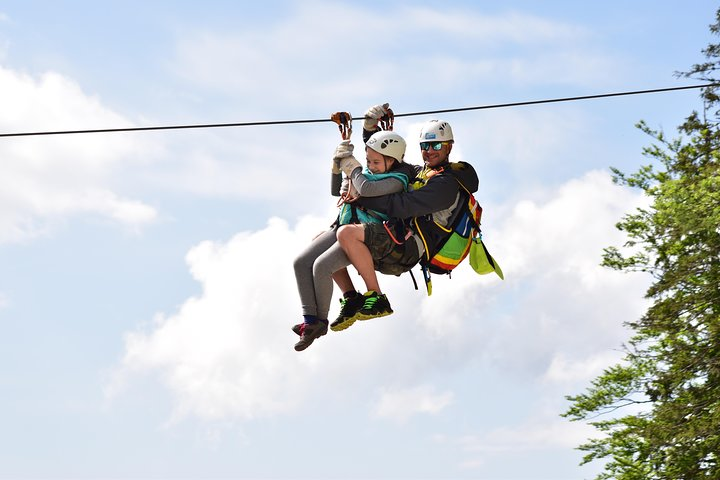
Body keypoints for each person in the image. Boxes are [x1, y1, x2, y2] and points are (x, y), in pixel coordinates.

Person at [292, 106, 416, 351]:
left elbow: (367, 189)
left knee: (321, 266)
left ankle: (320, 322)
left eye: (376, 162)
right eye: (368, 160)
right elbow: (334, 189)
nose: (371, 165)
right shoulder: (369, 173)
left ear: (392, 161)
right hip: (346, 224)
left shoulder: (397, 179)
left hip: (366, 232)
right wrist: (338, 164)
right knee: (300, 262)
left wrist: (353, 167)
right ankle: (311, 320)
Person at [336, 119, 479, 308]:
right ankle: (346, 304)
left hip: (409, 249)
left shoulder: (447, 185)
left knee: (347, 233)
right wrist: (371, 130)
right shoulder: (421, 173)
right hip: (399, 237)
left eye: (436, 145)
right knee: (327, 243)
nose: (429, 151)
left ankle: (377, 299)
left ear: (449, 147)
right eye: (424, 146)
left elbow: (402, 206)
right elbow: (389, 159)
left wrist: (360, 195)